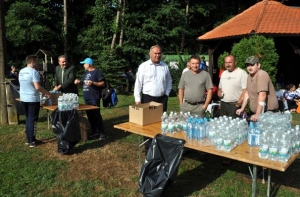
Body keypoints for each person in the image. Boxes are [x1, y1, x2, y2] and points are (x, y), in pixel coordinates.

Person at [134, 45, 172, 154]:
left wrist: (167, 93)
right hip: (148, 98)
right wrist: (137, 99)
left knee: (161, 122)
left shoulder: (164, 66)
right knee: (147, 123)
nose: (157, 55)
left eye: (159, 53)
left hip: (162, 99)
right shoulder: (143, 66)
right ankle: (148, 147)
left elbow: (169, 81)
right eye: (155, 53)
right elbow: (138, 84)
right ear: (150, 54)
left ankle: (159, 145)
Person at [19, 55, 51, 147]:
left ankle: (28, 139)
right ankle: (32, 141)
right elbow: (37, 87)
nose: (38, 64)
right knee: (32, 120)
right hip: (32, 99)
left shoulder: (21, 71)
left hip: (23, 98)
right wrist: (47, 93)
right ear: (32, 62)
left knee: (28, 118)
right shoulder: (34, 72)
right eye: (37, 62)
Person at [236, 56, 278, 122]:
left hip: (268, 114)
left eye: (252, 65)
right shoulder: (249, 76)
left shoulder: (261, 74)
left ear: (258, 65)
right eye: (247, 65)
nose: (249, 67)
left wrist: (258, 114)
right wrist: (242, 108)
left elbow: (263, 95)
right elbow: (247, 92)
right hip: (259, 114)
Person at [74, 58, 105, 140]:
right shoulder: (85, 73)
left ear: (89, 64)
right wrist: (79, 82)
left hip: (94, 97)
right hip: (86, 97)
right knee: (90, 116)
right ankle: (94, 131)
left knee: (96, 115)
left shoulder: (97, 72)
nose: (83, 65)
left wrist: (93, 83)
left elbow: (102, 83)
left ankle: (101, 133)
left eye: (84, 63)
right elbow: (83, 83)